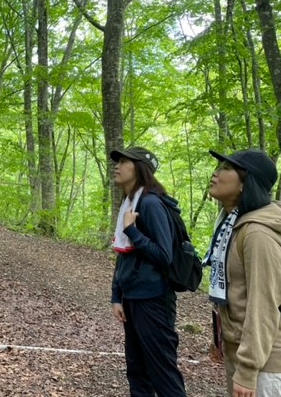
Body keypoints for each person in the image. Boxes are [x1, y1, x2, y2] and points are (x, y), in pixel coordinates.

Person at [204, 149, 281, 396]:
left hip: (268, 366)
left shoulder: (258, 234)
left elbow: (264, 304)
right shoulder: (231, 226)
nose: (216, 173)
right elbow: (235, 293)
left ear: (245, 183)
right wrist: (221, 340)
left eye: (227, 168)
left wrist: (248, 370)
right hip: (244, 355)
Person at [109, 146, 187, 396]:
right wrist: (116, 295)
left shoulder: (151, 203)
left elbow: (164, 255)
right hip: (132, 297)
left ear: (140, 168)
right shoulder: (129, 203)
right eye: (117, 162)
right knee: (137, 370)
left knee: (162, 373)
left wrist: (132, 230)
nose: (117, 166)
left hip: (153, 299)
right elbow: (124, 255)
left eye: (124, 162)